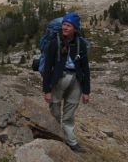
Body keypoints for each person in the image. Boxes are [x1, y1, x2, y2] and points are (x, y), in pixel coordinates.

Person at [42, 12, 90, 153]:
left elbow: (85, 68)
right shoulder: (54, 42)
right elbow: (47, 68)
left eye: (68, 25)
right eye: (64, 24)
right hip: (58, 80)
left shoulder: (81, 44)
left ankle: (71, 142)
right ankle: (55, 138)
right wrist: (47, 90)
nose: (65, 27)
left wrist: (86, 91)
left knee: (69, 115)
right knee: (55, 112)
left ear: (75, 28)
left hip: (76, 81)